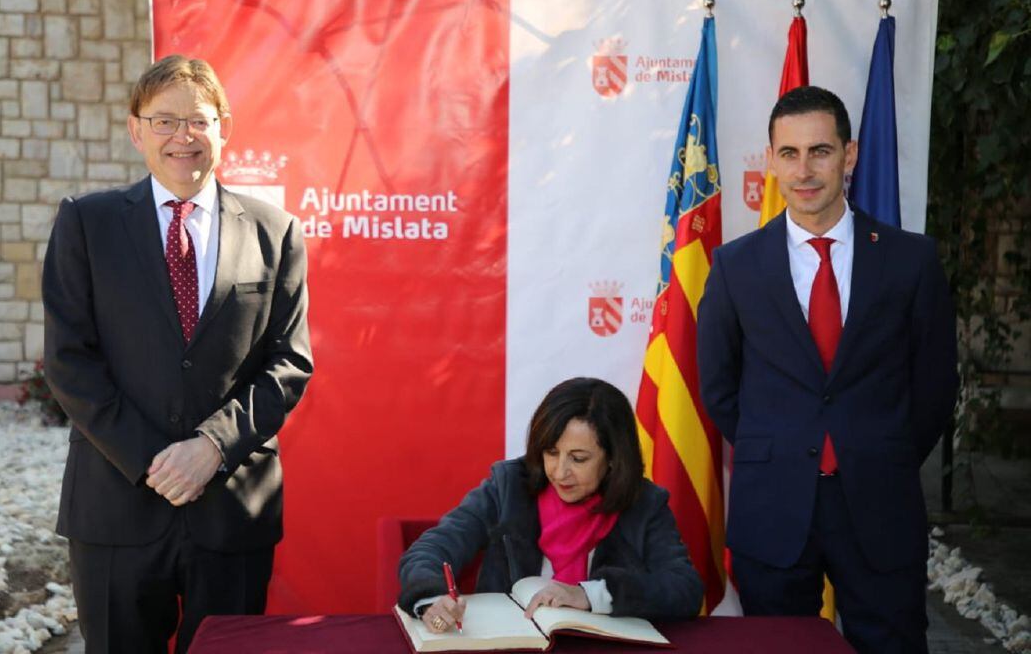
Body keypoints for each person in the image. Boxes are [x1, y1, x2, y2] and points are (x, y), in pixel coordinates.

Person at [42, 54, 314, 653]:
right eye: (163, 122)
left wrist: (211, 447)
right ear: (136, 129)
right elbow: (69, 360)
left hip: (233, 508)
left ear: (224, 126)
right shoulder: (86, 224)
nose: (181, 137)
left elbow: (288, 364)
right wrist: (155, 461)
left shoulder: (276, 231)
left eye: (197, 120)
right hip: (117, 505)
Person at [697, 85, 957, 653]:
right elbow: (718, 385)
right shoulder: (735, 267)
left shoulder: (910, 261)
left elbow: (935, 385)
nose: (804, 169)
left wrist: (878, 448)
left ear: (850, 155)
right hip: (774, 506)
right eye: (788, 153)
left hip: (880, 501)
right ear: (769, 160)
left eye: (820, 151)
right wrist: (780, 445)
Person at [397, 377, 703, 632]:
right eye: (551, 453)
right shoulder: (508, 487)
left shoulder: (644, 503)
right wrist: (431, 599)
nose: (559, 472)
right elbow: (430, 550)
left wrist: (592, 594)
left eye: (578, 459)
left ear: (613, 459)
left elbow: (684, 589)